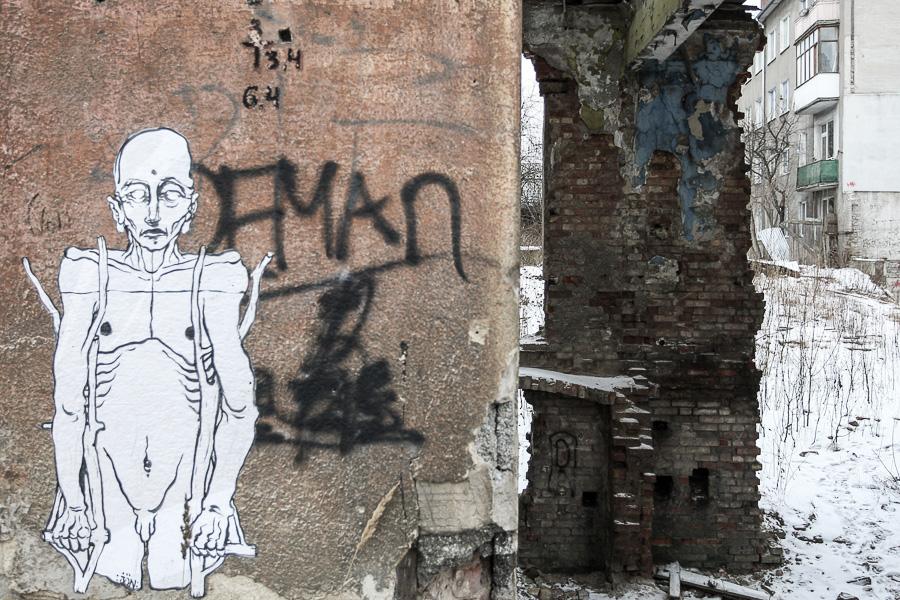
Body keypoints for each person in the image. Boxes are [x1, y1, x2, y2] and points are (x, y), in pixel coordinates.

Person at [37, 127, 263, 594]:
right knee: (111, 573)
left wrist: (218, 502)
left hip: (187, 489)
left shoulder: (214, 281)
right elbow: (69, 404)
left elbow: (240, 406)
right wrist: (74, 501)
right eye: (139, 196)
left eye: (170, 194)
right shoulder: (89, 276)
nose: (154, 213)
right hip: (104, 491)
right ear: (119, 209)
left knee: (170, 574)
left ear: (190, 207)